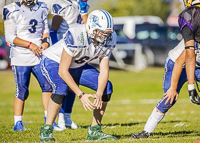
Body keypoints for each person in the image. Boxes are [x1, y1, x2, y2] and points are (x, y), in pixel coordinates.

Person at [39, 9, 117, 141]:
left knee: (106, 88)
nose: (104, 36)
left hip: (76, 65)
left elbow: (104, 71)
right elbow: (63, 71)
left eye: (107, 33)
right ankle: (47, 129)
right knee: (61, 87)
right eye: (101, 32)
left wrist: (98, 93)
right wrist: (81, 94)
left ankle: (95, 130)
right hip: (54, 61)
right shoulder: (76, 34)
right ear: (91, 27)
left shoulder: (110, 38)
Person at [2, 0, 62, 131]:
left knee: (48, 86)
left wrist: (45, 42)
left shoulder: (42, 7)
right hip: (21, 55)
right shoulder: (11, 9)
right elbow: (10, 37)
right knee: (22, 91)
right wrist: (30, 45)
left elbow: (45, 30)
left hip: (39, 54)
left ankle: (49, 121)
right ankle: (18, 123)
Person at [49, 0, 89, 130]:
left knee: (73, 84)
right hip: (63, 47)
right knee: (62, 85)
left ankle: (67, 117)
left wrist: (84, 12)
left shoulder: (81, 5)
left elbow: (88, 27)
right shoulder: (61, 4)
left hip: (77, 48)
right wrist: (57, 48)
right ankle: (59, 118)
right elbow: (53, 31)